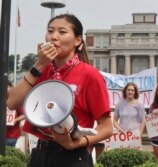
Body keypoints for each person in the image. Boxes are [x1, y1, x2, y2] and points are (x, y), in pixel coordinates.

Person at [7, 14, 113, 167]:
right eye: (50, 31)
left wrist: (76, 144)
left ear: (77, 41)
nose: (53, 37)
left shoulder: (90, 75)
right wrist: (38, 65)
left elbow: (106, 128)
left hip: (73, 157)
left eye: (62, 32)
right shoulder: (42, 70)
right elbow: (11, 102)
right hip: (41, 153)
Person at [6, 81, 25, 147]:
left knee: (9, 154)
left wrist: (15, 120)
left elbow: (24, 115)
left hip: (12, 135)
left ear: (11, 88)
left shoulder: (16, 100)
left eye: (8, 87)